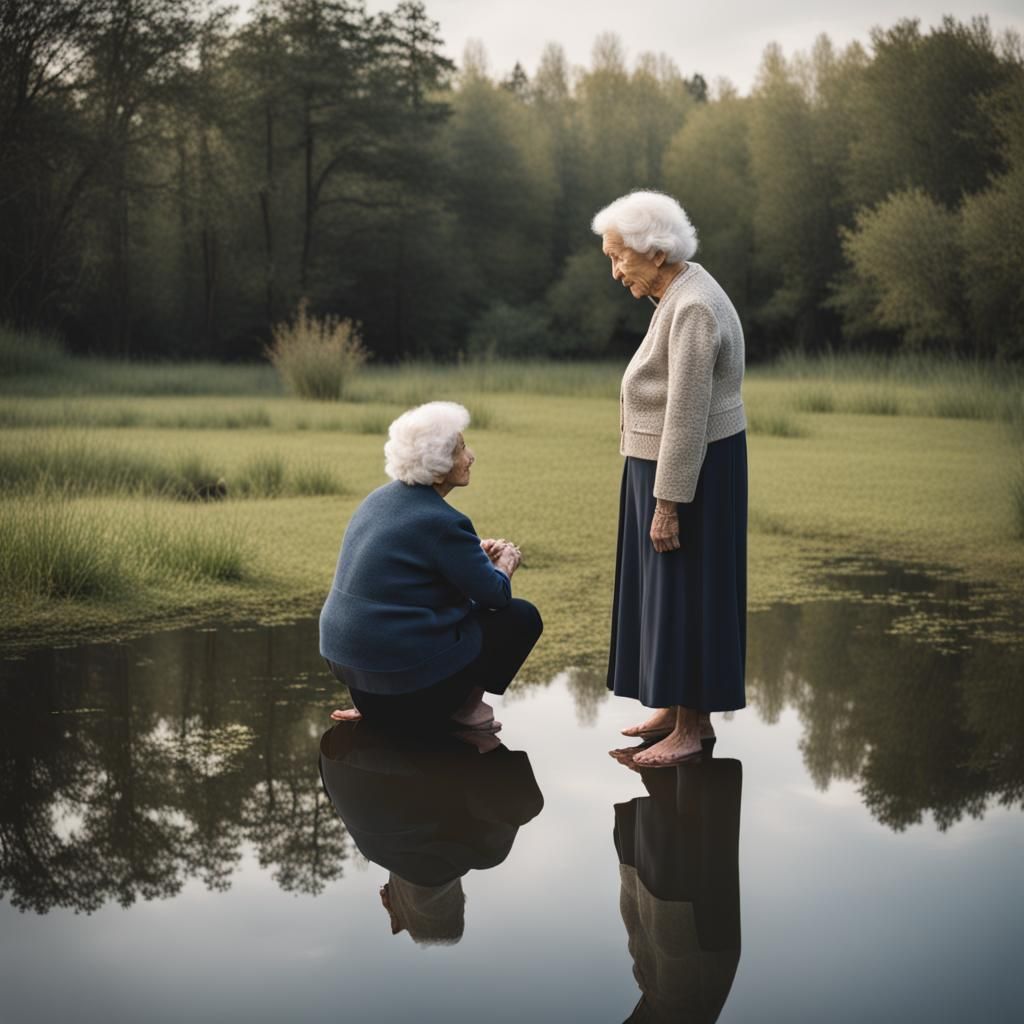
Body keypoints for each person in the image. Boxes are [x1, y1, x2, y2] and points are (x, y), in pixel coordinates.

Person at [593, 190, 748, 767]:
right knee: (666, 592)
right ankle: (672, 709)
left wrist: (668, 502)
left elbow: (686, 411)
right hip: (667, 470)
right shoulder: (679, 292)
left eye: (619, 257)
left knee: (690, 592)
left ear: (656, 253)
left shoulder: (693, 306)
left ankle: (692, 728)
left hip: (689, 475)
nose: (616, 272)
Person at [319, 401, 542, 731]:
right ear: (438, 469)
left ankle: (375, 707)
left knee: (453, 614)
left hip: (355, 673)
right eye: (461, 450)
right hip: (403, 689)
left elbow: (403, 578)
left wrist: (473, 558)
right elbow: (496, 596)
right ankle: (465, 708)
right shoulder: (445, 523)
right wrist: (505, 564)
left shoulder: (377, 499)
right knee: (521, 617)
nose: (471, 457)